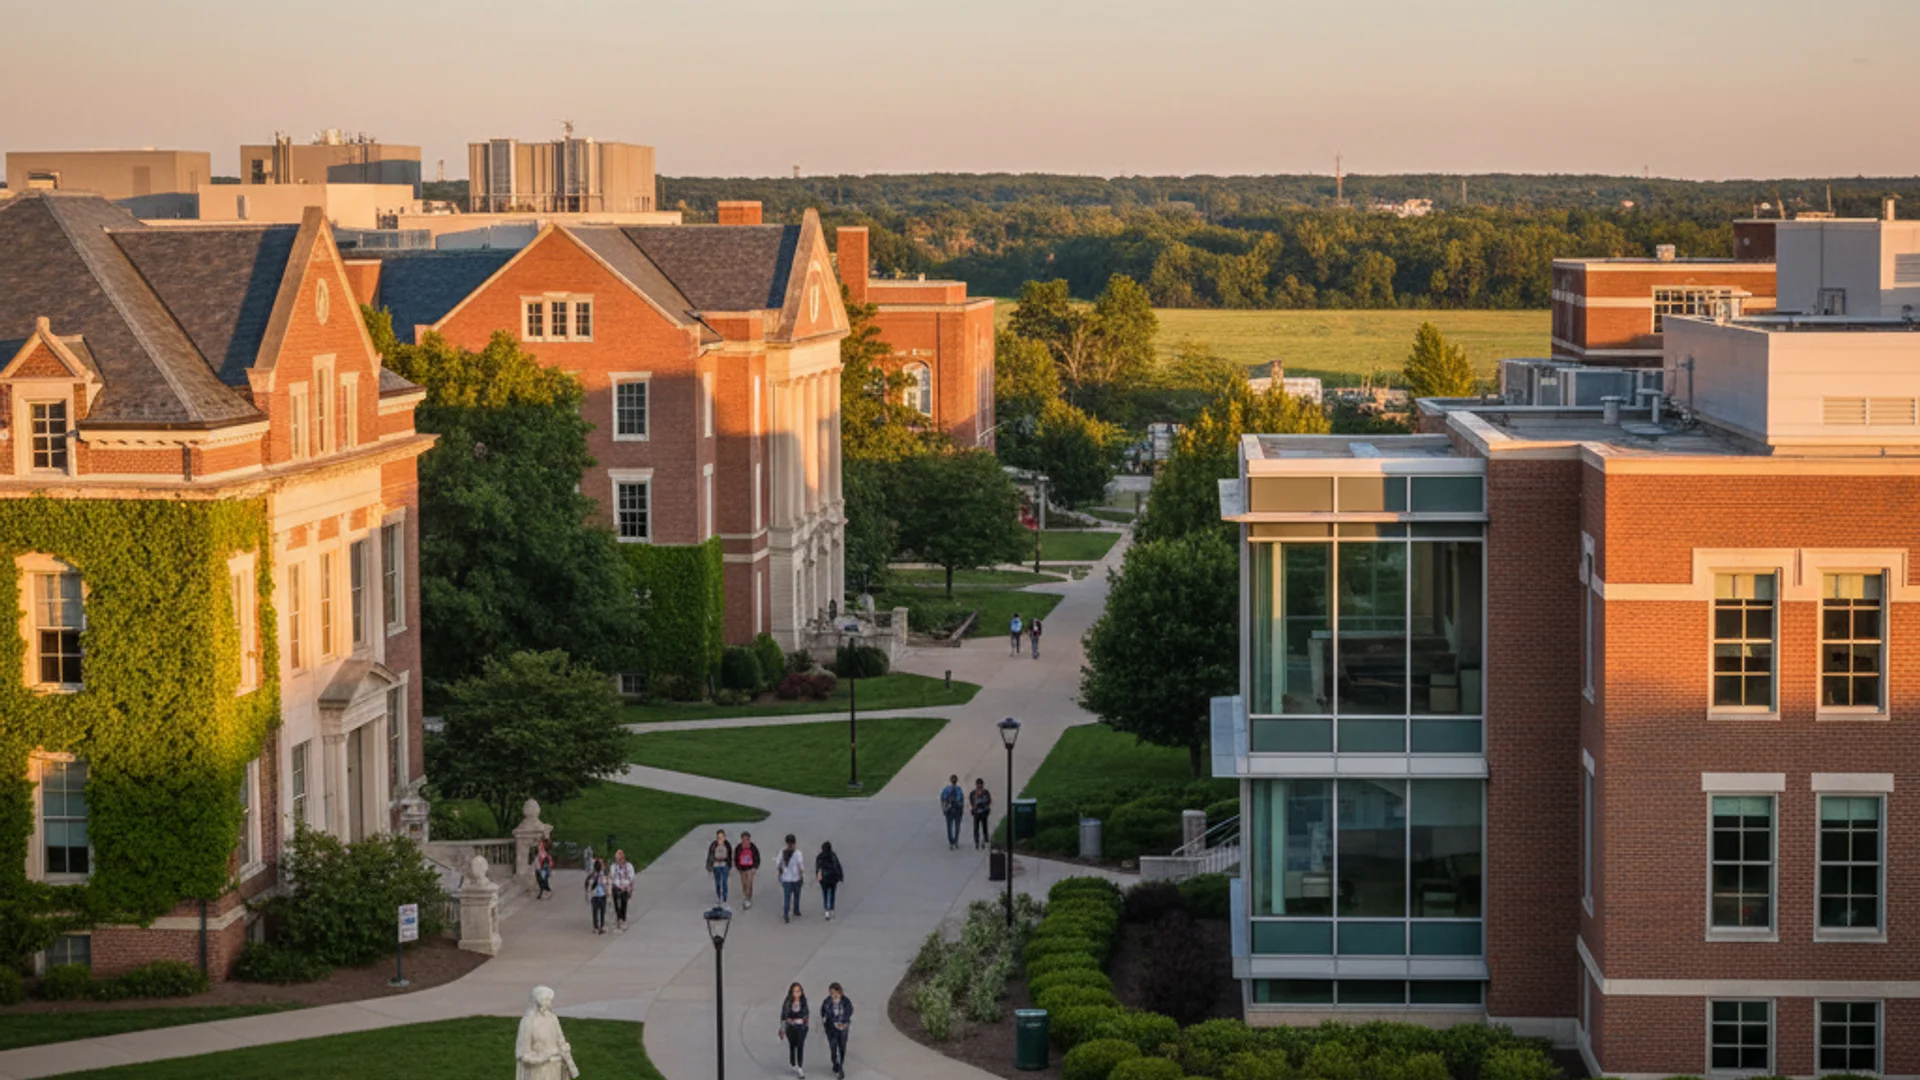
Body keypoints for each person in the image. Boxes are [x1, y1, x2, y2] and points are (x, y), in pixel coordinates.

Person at [515, 985, 578, 1080]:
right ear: (538, 1002)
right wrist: (542, 1058)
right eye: (546, 1001)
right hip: (538, 1071)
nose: (549, 1004)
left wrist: (565, 1049)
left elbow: (560, 1041)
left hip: (555, 1067)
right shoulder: (528, 1022)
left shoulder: (553, 1019)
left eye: (550, 1001)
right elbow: (523, 1053)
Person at [820, 982, 854, 1079]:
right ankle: (835, 1062)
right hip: (831, 1029)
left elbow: (849, 1012)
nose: (834, 995)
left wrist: (844, 1023)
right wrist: (826, 1021)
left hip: (843, 1028)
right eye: (831, 993)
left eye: (836, 993)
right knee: (833, 1047)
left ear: (840, 992)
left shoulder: (846, 1001)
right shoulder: (827, 1002)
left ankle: (841, 1067)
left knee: (842, 1047)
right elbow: (823, 1013)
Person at [778, 981, 810, 1078]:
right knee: (793, 1045)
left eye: (798, 991)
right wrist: (783, 1029)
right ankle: (793, 1062)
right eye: (795, 991)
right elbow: (784, 1015)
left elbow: (806, 1014)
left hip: (801, 1028)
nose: (797, 993)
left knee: (800, 1045)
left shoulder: (803, 1001)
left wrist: (802, 1020)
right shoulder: (787, 1002)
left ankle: (800, 1067)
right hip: (791, 1028)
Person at [777, 834, 806, 923]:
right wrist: (802, 876)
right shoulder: (798, 853)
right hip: (796, 878)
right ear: (795, 842)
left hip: (786, 879)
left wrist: (780, 874)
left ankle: (786, 914)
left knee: (787, 897)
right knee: (797, 895)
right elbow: (800, 867)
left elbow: (778, 865)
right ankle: (796, 910)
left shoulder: (782, 852)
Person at [815, 841, 844, 921]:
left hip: (824, 879)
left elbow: (818, 868)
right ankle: (831, 908)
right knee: (832, 893)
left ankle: (826, 910)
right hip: (833, 878)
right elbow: (838, 866)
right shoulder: (833, 855)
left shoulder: (820, 856)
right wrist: (840, 876)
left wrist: (818, 877)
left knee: (825, 894)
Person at [734, 830, 763, 910]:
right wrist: (738, 868)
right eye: (744, 839)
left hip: (750, 868)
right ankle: (746, 895)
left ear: (750, 839)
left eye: (747, 839)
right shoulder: (739, 847)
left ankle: (748, 898)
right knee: (744, 883)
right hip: (742, 868)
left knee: (749, 882)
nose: (745, 841)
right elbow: (736, 858)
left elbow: (757, 857)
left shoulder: (753, 847)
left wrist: (755, 867)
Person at [609, 849, 635, 932]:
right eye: (617, 859)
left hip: (625, 887)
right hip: (616, 886)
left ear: (624, 858)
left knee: (624, 903)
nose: (619, 861)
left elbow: (632, 877)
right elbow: (612, 877)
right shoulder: (614, 866)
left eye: (620, 859)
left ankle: (623, 919)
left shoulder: (629, 866)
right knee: (616, 903)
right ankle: (618, 918)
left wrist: (628, 887)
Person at [706, 828, 734, 905]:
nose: (720, 839)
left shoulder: (727, 845)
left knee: (724, 882)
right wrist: (709, 866)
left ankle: (724, 899)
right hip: (716, 866)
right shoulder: (714, 845)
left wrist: (729, 865)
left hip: (724, 865)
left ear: (724, 837)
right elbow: (710, 855)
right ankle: (718, 897)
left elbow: (730, 856)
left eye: (722, 837)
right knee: (717, 883)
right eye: (718, 837)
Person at [939, 774, 965, 850]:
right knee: (950, 827)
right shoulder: (947, 789)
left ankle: (956, 841)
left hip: (957, 810)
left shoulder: (959, 789)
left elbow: (962, 800)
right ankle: (951, 842)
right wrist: (944, 809)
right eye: (953, 780)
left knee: (957, 827)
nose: (954, 781)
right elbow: (943, 799)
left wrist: (961, 810)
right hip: (949, 810)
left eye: (955, 780)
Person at [584, 858, 609, 934]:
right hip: (601, 895)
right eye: (602, 865)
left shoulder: (592, 875)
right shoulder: (602, 874)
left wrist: (588, 892)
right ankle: (601, 926)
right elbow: (606, 884)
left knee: (595, 912)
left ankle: (596, 927)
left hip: (594, 895)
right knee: (602, 912)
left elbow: (587, 884)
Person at [969, 778, 993, 850]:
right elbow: (972, 802)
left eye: (981, 784)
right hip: (976, 812)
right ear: (976, 785)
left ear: (982, 785)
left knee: (984, 827)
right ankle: (977, 841)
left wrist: (985, 804)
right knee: (976, 828)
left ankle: (985, 840)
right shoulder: (973, 793)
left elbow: (989, 801)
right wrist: (975, 806)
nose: (979, 785)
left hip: (984, 812)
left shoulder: (986, 792)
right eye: (978, 784)